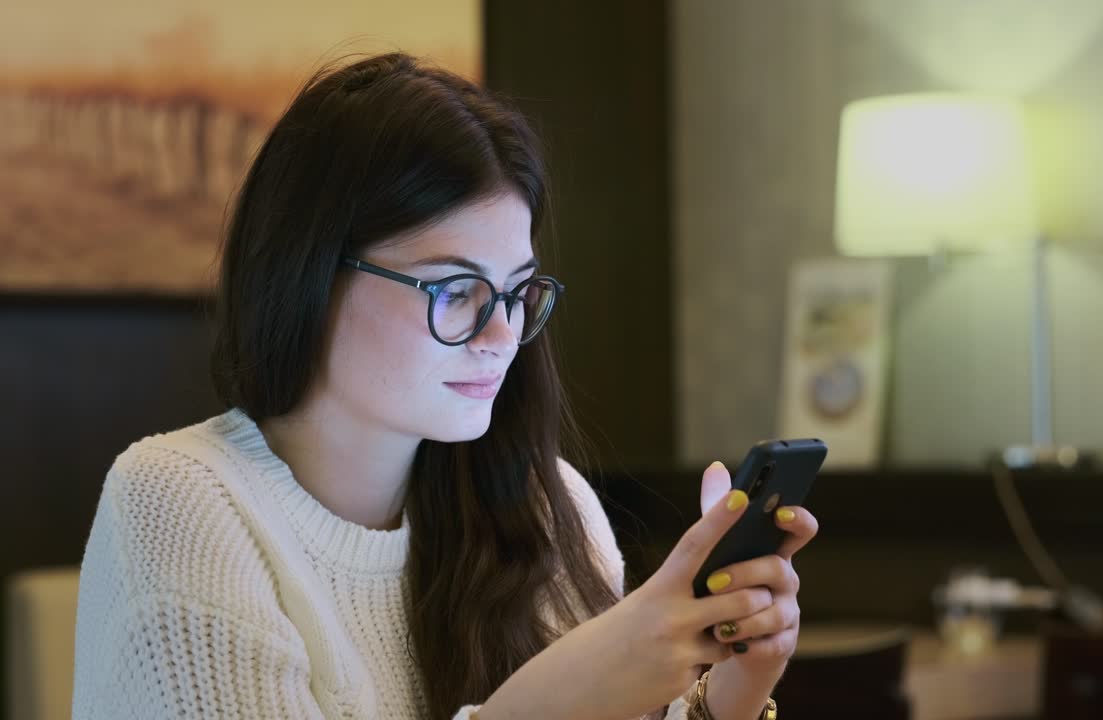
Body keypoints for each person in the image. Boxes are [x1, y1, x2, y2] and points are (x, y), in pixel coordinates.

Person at [70, 53, 818, 720]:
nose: (500, 336)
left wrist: (730, 695)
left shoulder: (547, 508)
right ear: (310, 274)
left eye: (516, 292)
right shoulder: (177, 501)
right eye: (455, 289)